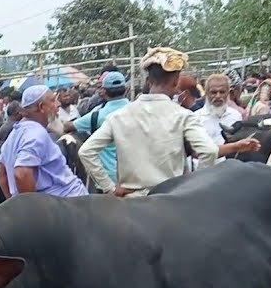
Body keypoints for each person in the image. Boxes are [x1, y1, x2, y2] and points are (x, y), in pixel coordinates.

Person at [81, 48, 257, 197]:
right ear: (176, 81)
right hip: (172, 204)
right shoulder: (183, 116)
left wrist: (110, 188)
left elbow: (86, 152)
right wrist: (193, 187)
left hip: (130, 206)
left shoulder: (118, 116)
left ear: (148, 81)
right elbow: (209, 151)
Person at [0, 85, 88, 198]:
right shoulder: (36, 134)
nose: (58, 104)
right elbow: (22, 174)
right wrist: (35, 206)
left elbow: (1, 170)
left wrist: (13, 202)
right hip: (69, 201)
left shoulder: (14, 133)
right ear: (41, 107)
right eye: (53, 101)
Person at [72, 71, 131, 185]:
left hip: (108, 178)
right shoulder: (139, 111)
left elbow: (69, 126)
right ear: (127, 89)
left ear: (104, 91)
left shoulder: (97, 115)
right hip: (135, 177)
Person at [197, 73, 245, 145]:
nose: (218, 96)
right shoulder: (196, 118)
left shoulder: (236, 115)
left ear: (228, 93)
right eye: (213, 92)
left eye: (222, 92)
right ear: (206, 93)